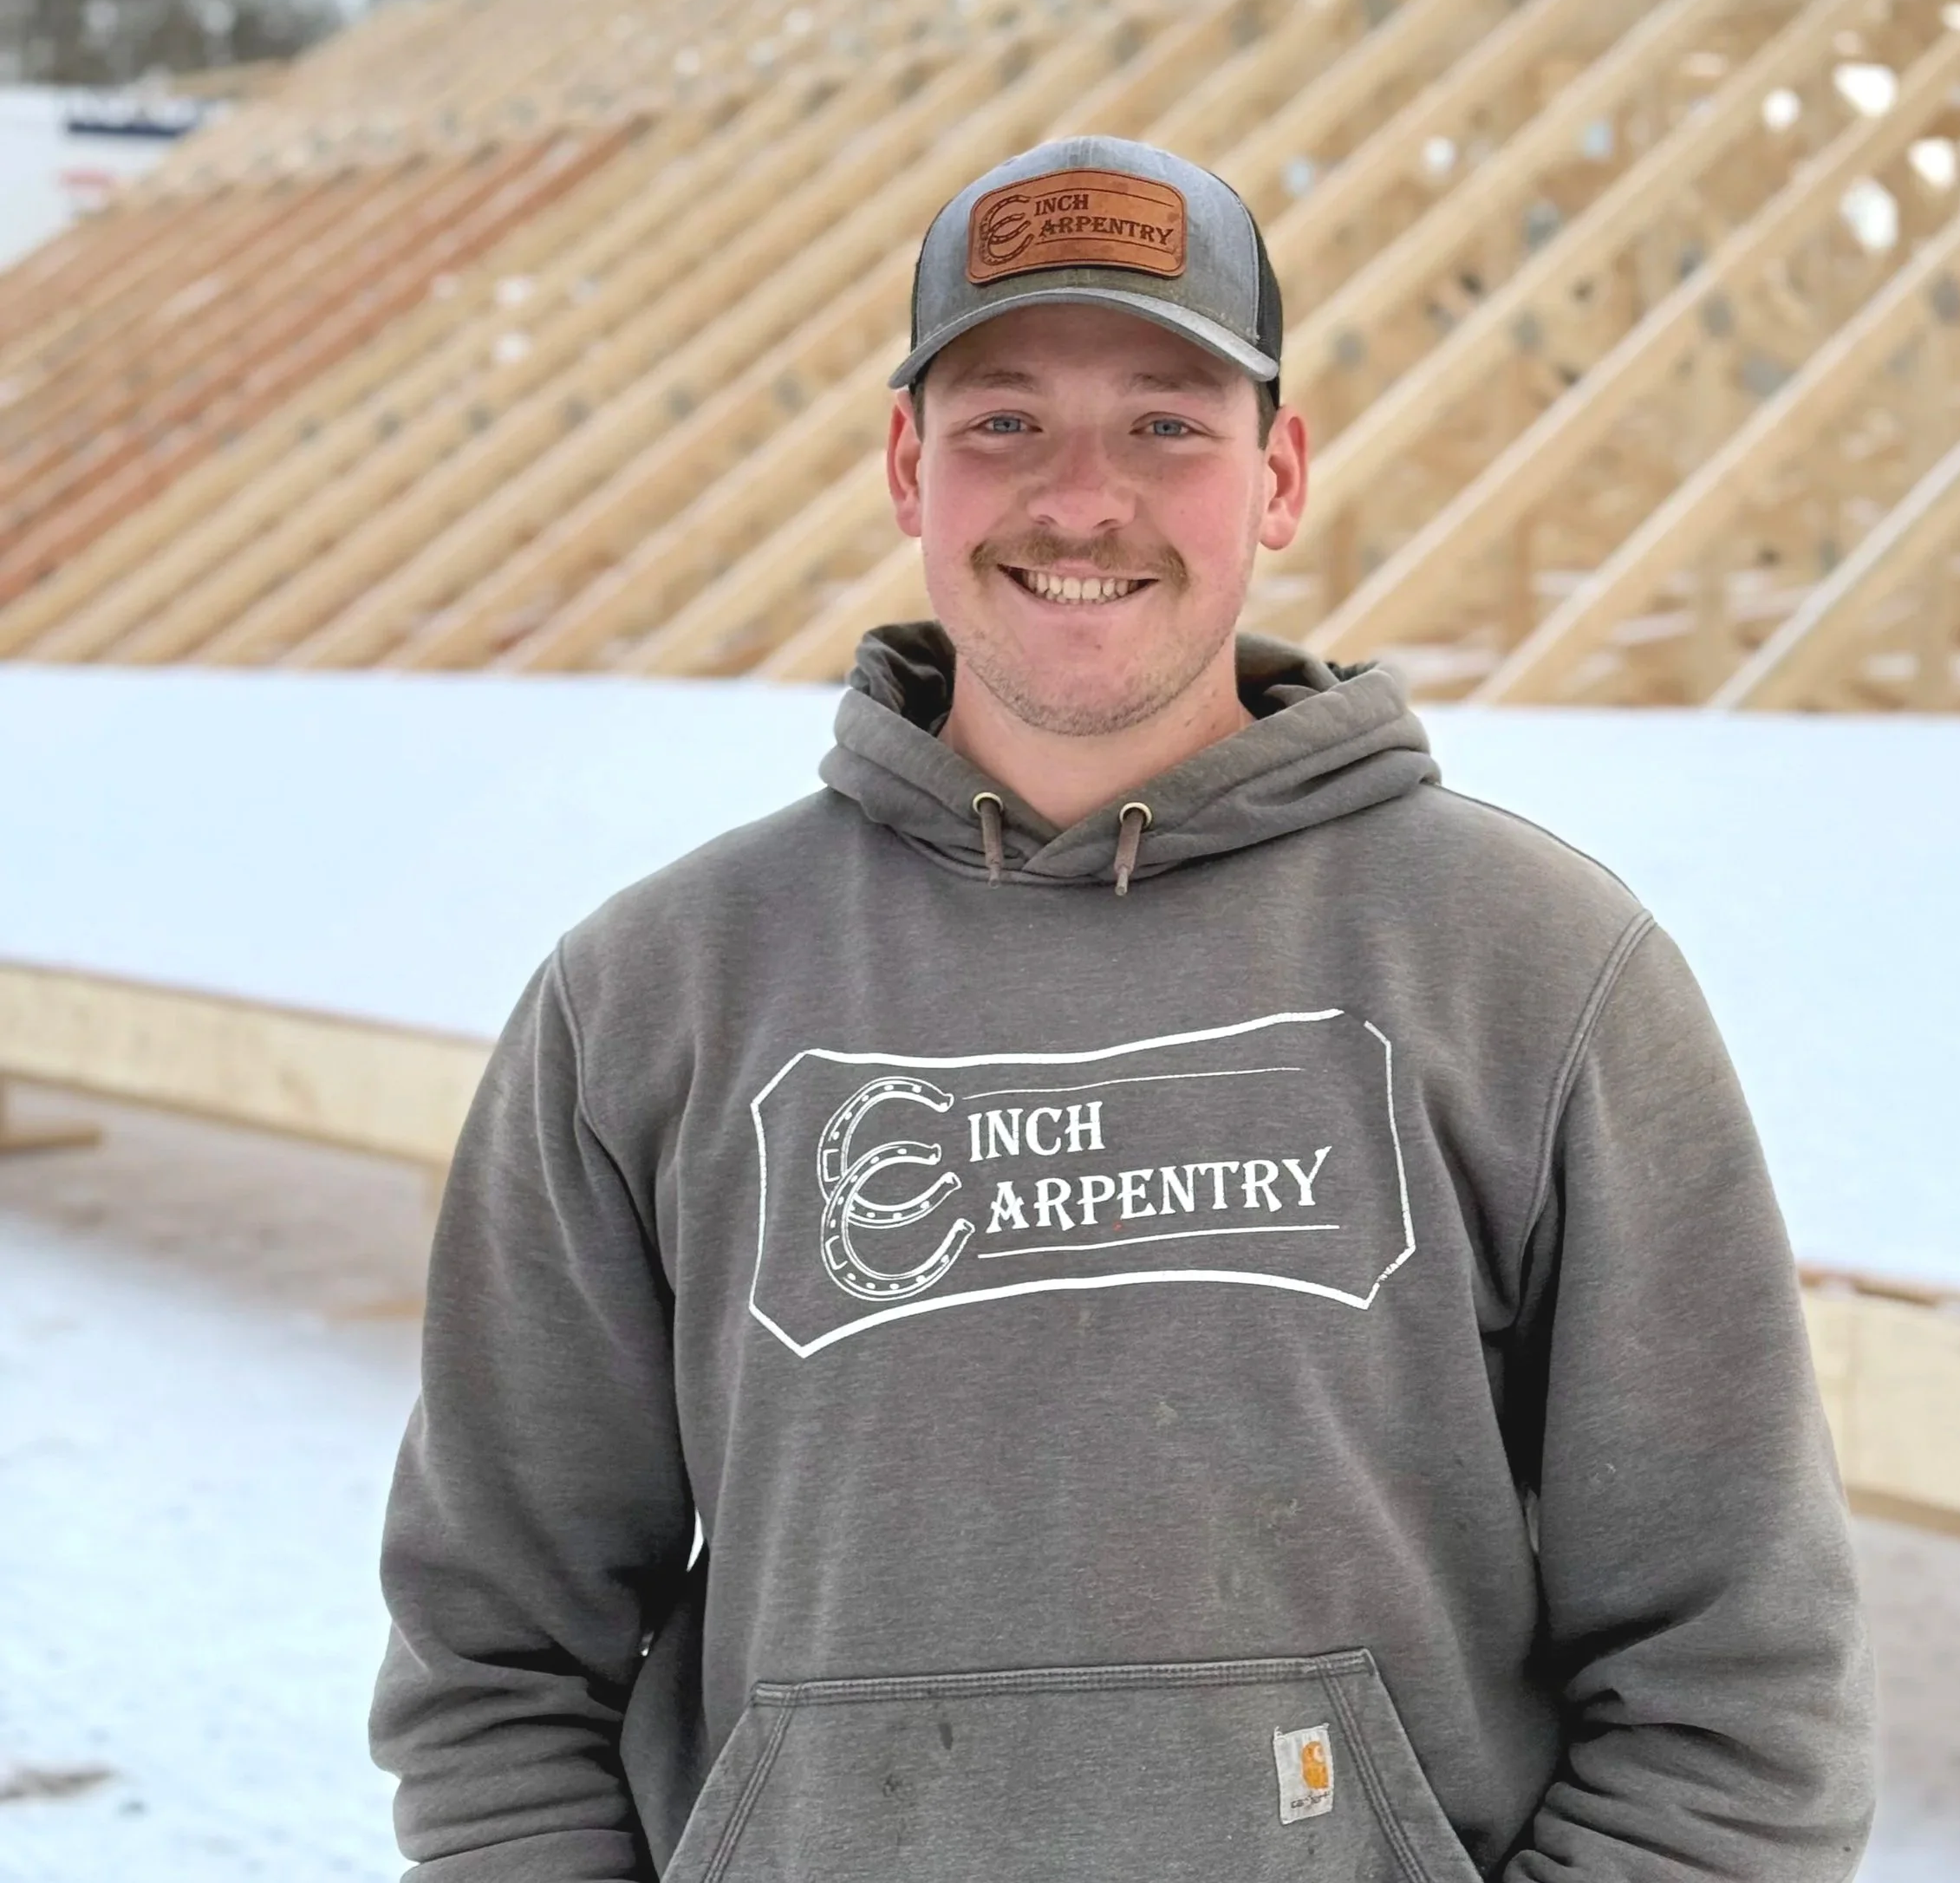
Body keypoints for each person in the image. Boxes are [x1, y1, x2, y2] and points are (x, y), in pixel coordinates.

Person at [373, 135, 1875, 1880]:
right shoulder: (656, 993)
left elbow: (1737, 1689)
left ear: (1277, 477)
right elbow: (493, 1662)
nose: (1080, 500)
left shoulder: (1531, 968)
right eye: (1005, 420)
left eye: (1166, 422)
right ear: (908, 469)